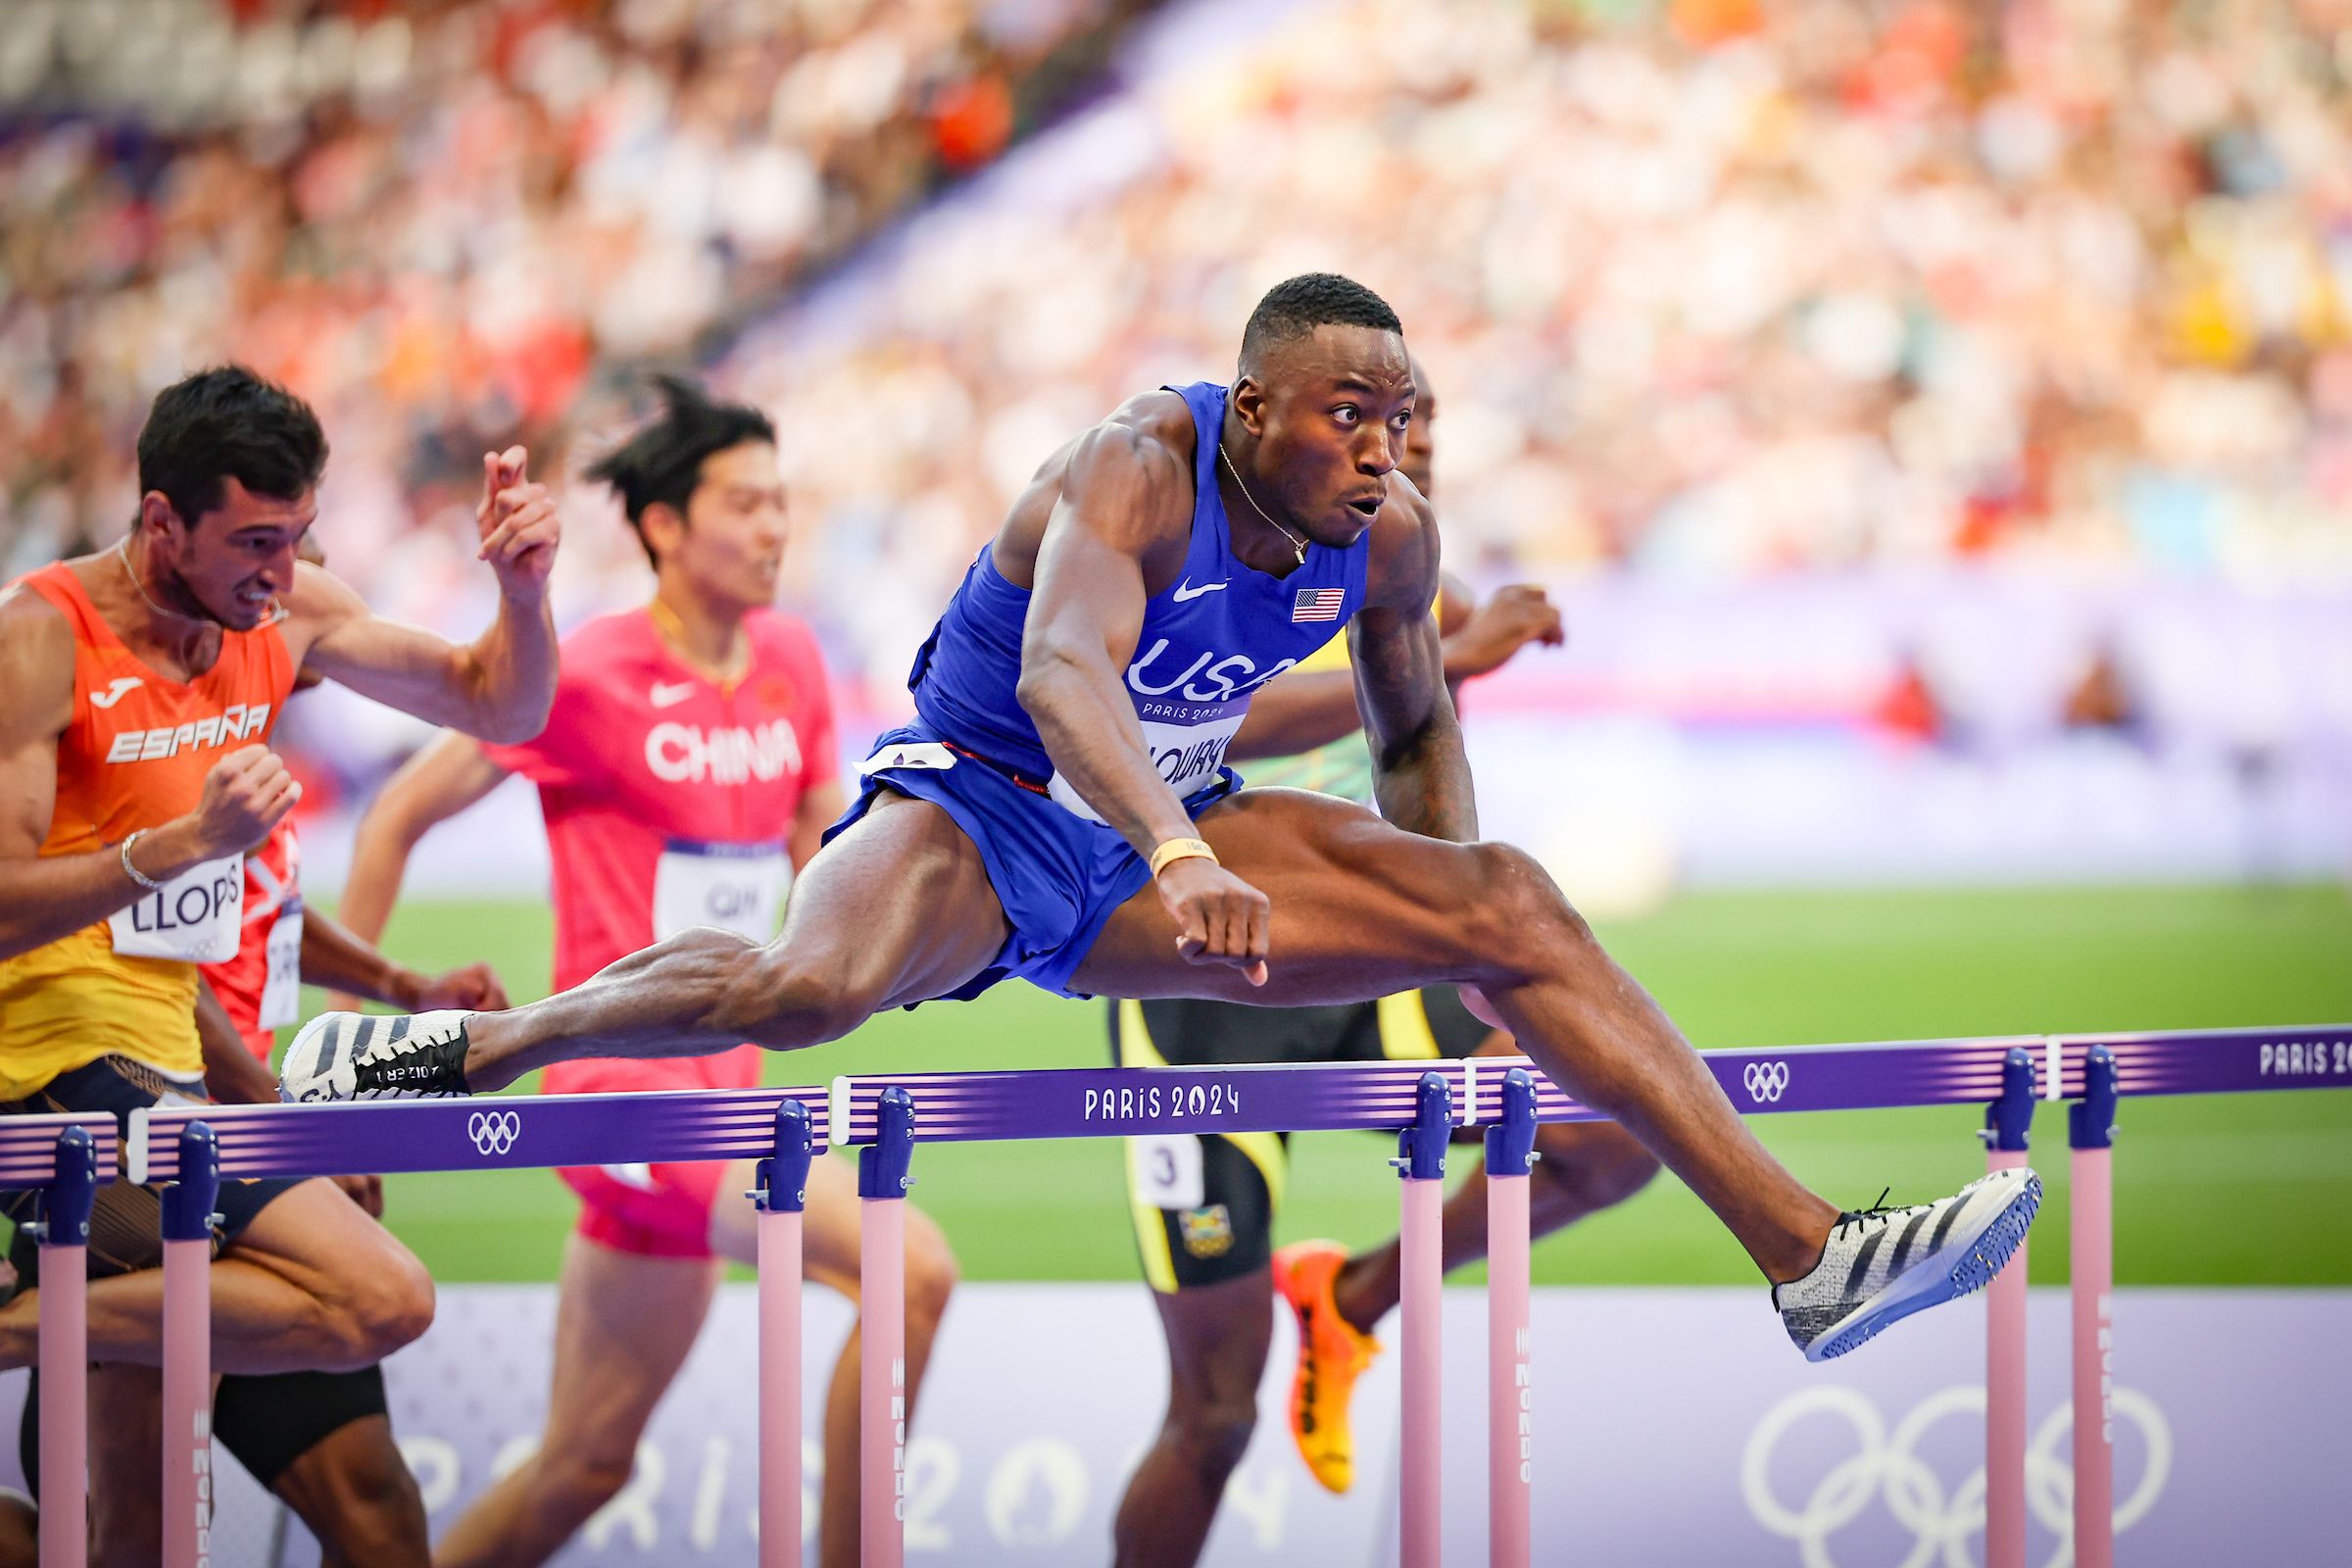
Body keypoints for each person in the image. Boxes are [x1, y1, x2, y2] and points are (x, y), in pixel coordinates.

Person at [286, 278, 2038, 1418]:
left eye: (1402, 412)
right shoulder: (1138, 461)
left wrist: (1446, 936)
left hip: (1166, 825)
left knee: (1516, 903)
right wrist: (1174, 846)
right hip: (983, 796)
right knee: (799, 991)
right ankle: (479, 1042)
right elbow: (1060, 673)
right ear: (1253, 398)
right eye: (1349, 410)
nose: (1383, 444)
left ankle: (1813, 1257)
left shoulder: (1392, 537)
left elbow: (1415, 730)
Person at [332, 377, 956, 1568]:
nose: (776, 528)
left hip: (732, 1084)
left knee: (586, 1460)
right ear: (665, 525)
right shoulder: (588, 671)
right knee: (907, 1268)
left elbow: (828, 857)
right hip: (621, 1088)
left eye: (784, 503)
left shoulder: (790, 659)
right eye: (745, 505)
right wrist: (364, 1065)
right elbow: (392, 822)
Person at [1102, 354, 1660, 1563]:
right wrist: (1460, 658)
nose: (1400, 454)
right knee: (1214, 1413)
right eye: (1371, 427)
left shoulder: (1414, 578)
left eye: (1420, 432)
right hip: (1199, 983)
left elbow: (1423, 750)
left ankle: (1352, 1297)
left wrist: (1469, 648)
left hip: (1360, 963)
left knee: (1608, 1135)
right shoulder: (1198, 555)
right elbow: (1197, 723)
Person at [0, 363, 561, 1565]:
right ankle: (17, 1325)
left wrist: (521, 593)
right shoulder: (43, 639)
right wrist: (175, 848)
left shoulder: (286, 615)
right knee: (383, 1298)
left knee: (132, 1530)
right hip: (42, 1070)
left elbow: (498, 706)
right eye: (254, 540)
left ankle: (39, 1322)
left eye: (299, 539)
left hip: (167, 1061)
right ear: (162, 522)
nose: (280, 569)